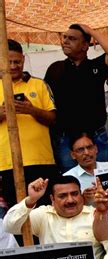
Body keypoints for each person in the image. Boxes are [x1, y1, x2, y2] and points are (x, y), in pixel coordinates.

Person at [44, 24, 108, 172]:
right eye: (64, 37)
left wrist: (90, 30)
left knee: (101, 179)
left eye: (72, 38)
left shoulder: (96, 67)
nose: (65, 41)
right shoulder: (55, 68)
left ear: (86, 45)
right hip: (65, 138)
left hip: (96, 137)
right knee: (71, 182)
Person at [0, 39, 58, 208]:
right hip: (6, 163)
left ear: (23, 59)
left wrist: (31, 110)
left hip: (41, 160)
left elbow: (53, 119)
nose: (13, 66)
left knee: (45, 212)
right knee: (17, 214)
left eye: (17, 62)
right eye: (8, 62)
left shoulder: (39, 84)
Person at [64, 133, 108, 205]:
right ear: (73, 155)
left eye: (89, 147)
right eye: (80, 150)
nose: (86, 153)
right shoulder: (68, 177)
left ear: (96, 149)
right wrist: (83, 199)